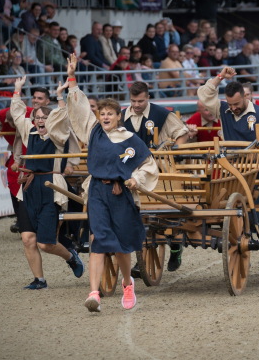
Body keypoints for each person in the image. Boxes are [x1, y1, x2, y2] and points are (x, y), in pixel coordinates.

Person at [64, 56, 159, 312]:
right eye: (102, 114)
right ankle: (93, 292)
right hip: (97, 190)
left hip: (121, 194)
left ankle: (128, 284)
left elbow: (148, 165)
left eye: (110, 114)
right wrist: (72, 78)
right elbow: (81, 110)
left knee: (120, 244)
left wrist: (134, 179)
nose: (105, 117)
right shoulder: (93, 132)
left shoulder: (131, 139)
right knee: (98, 240)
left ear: (119, 116)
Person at [10, 75, 85, 290]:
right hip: (30, 188)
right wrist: (17, 90)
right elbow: (17, 114)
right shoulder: (29, 130)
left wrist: (60, 96)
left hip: (51, 188)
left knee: (45, 243)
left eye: (44, 117)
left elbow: (62, 117)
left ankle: (71, 256)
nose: (40, 120)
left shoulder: (57, 133)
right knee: (27, 239)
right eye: (37, 117)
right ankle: (39, 280)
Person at [123, 80, 189, 272]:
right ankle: (141, 258)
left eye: (141, 101)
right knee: (138, 214)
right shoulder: (121, 117)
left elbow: (182, 133)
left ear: (148, 98)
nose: (136, 105)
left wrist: (176, 151)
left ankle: (176, 246)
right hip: (130, 172)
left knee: (167, 210)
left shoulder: (161, 114)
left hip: (160, 171)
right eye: (133, 101)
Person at [197, 66, 259, 142]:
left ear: (245, 96)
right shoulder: (222, 109)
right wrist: (220, 76)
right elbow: (204, 95)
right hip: (229, 157)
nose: (233, 108)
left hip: (256, 157)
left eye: (236, 104)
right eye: (230, 104)